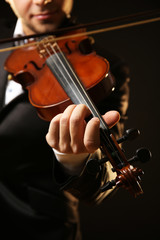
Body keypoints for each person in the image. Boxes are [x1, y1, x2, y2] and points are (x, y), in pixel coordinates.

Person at [0, 0, 130, 239]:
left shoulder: (104, 67)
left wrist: (75, 161)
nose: (43, 0)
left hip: (40, 227)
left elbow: (103, 181)